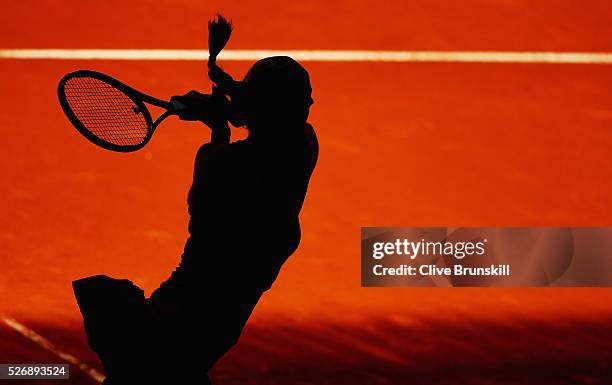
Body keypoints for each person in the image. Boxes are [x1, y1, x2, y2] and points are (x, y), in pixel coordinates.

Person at [73, 56, 318, 384]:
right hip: (200, 340)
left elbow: (213, 191)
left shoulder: (219, 165)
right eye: (304, 101)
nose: (309, 105)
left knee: (105, 301)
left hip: (169, 331)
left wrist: (220, 123)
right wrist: (233, 105)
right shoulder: (303, 149)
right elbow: (277, 127)